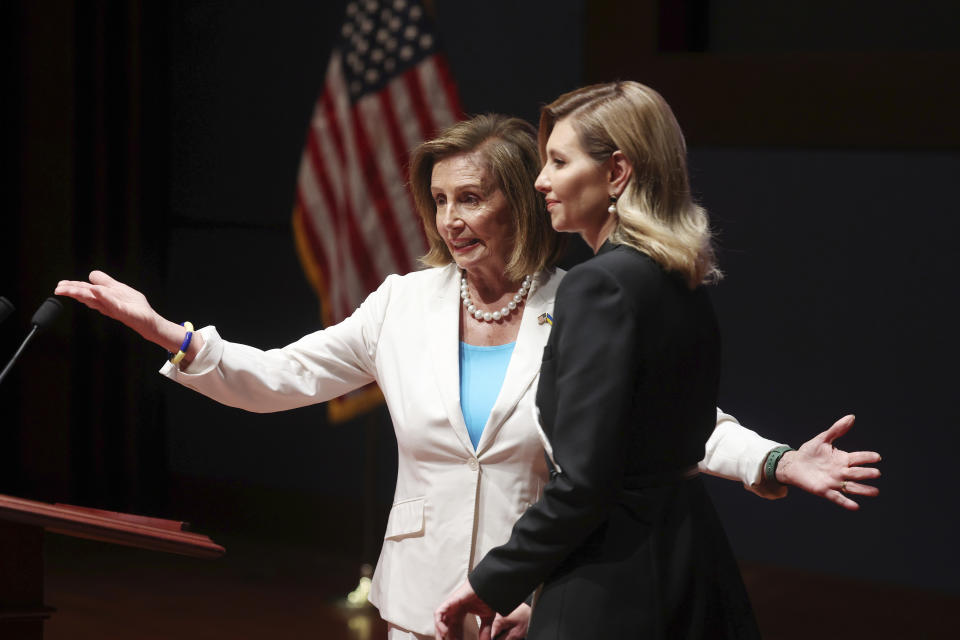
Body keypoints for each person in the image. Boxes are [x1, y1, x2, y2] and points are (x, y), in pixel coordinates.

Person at [56, 114, 879, 640]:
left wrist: (775, 460)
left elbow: (682, 425)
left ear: (521, 201)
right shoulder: (403, 304)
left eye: (473, 198)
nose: (451, 220)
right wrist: (167, 333)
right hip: (424, 603)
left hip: (545, 603)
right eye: (439, 200)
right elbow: (278, 378)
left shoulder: (585, 300)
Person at [434, 84, 882, 640]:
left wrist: (490, 583)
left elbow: (585, 486)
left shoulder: (599, 286)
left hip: (614, 592)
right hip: (689, 568)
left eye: (558, 161)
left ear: (617, 172)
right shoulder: (678, 276)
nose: (540, 181)